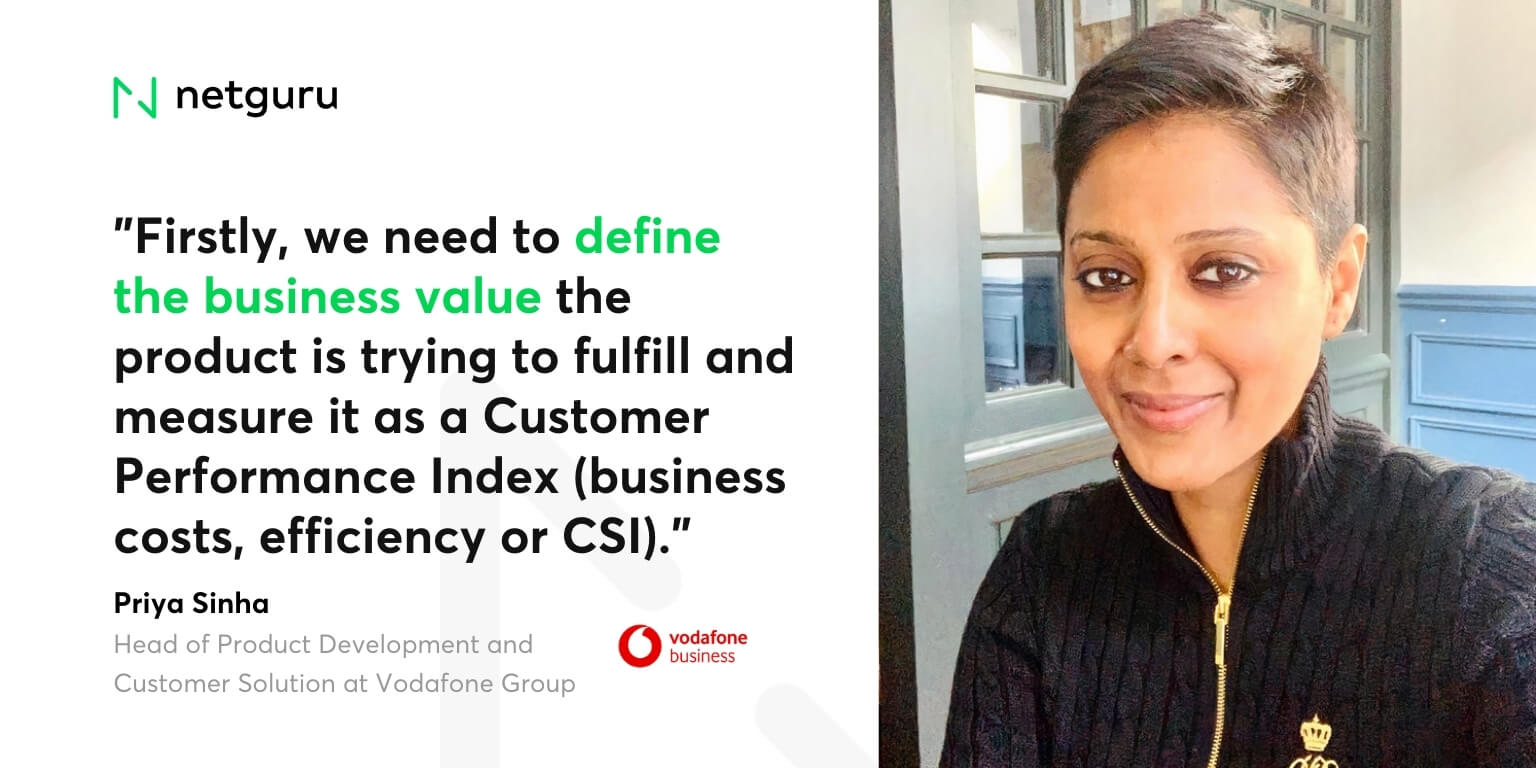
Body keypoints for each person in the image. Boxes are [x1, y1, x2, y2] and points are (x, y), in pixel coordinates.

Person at [938, 13, 1536, 768]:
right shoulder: (1042, 572)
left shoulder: (1490, 572)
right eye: (1107, 276)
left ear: (1338, 284)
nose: (1154, 339)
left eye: (1223, 271)